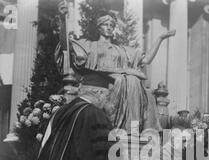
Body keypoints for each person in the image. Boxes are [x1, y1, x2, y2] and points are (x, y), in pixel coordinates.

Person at [56, 2, 175, 133]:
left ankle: (132, 130)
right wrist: (63, 19)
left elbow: (146, 59)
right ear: (99, 27)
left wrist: (160, 38)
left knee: (135, 83)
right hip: (99, 89)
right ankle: (130, 130)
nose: (109, 27)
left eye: (111, 25)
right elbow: (66, 47)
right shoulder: (90, 46)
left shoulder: (122, 50)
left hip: (121, 89)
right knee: (131, 80)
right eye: (105, 24)